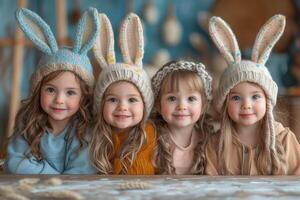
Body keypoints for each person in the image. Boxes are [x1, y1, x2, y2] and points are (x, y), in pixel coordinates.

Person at [5, 7, 99, 174]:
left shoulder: (85, 130)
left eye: (70, 92)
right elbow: (14, 163)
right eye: (50, 90)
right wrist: (56, 175)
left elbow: (80, 175)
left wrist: (37, 168)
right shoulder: (28, 122)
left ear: (84, 96)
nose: (59, 100)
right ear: (38, 89)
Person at [206, 14, 300, 175]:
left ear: (267, 101)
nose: (247, 105)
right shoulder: (215, 144)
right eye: (236, 97)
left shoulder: (284, 140)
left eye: (255, 96)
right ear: (224, 103)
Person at [90, 13, 156, 175]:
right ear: (101, 103)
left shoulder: (147, 133)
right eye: (113, 99)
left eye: (132, 99)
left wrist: (115, 164)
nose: (122, 107)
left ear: (145, 105)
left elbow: (139, 172)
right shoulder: (95, 133)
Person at [151, 60, 213, 175]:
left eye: (191, 99)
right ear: (158, 105)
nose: (182, 106)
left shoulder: (208, 140)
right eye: (172, 99)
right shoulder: (150, 138)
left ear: (203, 106)